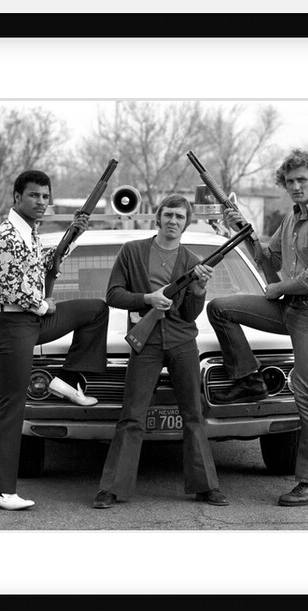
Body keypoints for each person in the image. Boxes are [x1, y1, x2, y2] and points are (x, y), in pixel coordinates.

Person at [206, 149, 308, 507]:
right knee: (221, 308)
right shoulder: (293, 218)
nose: (296, 186)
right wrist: (240, 228)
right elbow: (267, 258)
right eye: (290, 181)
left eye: (303, 180)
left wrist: (278, 289)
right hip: (288, 307)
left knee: (305, 391)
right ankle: (249, 379)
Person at [0, 170, 109, 511]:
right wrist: (42, 303)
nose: (41, 202)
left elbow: (43, 268)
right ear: (17, 197)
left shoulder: (31, 233)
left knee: (95, 311)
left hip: (34, 321)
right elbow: (11, 286)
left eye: (45, 197)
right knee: (12, 406)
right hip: (13, 323)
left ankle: (66, 381)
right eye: (34, 195)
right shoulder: (7, 234)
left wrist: (72, 237)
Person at [92, 194, 227, 509]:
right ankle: (111, 488)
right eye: (168, 215)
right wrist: (147, 299)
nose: (173, 222)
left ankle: (206, 486)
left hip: (182, 342)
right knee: (132, 416)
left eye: (180, 217)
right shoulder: (133, 252)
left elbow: (191, 313)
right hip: (147, 342)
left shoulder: (193, 261)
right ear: (158, 217)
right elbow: (113, 294)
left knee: (193, 414)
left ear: (186, 222)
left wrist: (199, 289)